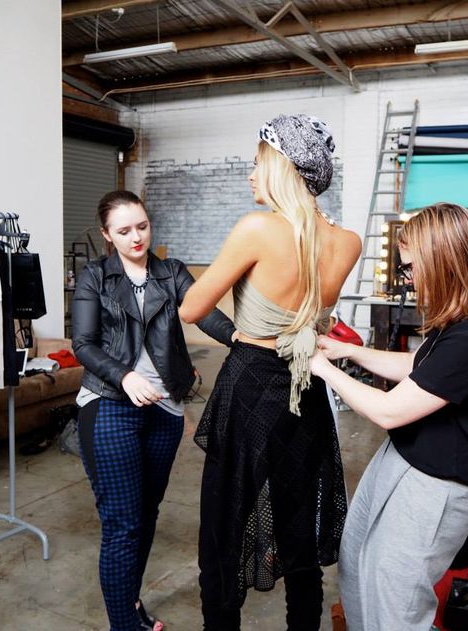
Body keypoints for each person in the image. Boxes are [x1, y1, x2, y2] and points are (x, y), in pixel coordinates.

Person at [178, 114, 362, 630]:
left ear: (282, 167)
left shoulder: (256, 229)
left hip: (250, 384)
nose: (250, 177)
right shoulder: (347, 242)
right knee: (298, 529)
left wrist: (239, 329)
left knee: (222, 527)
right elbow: (309, 319)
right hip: (305, 386)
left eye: (258, 165)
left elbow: (192, 309)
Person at [310, 202, 468, 631]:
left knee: (396, 600)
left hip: (438, 488)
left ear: (443, 264)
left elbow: (389, 411)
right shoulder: (459, 320)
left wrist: (323, 368)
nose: (408, 278)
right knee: (357, 561)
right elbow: (418, 367)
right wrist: (349, 351)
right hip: (404, 460)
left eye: (411, 268)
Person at [72, 190, 236, 631]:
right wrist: (125, 376)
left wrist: (239, 339)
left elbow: (205, 315)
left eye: (141, 226)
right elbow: (83, 344)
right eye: (124, 231)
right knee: (123, 522)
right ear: (107, 235)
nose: (136, 237)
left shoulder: (170, 273)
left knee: (146, 515)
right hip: (109, 405)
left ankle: (129, 603)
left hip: (164, 410)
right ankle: (124, 624)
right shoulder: (95, 277)